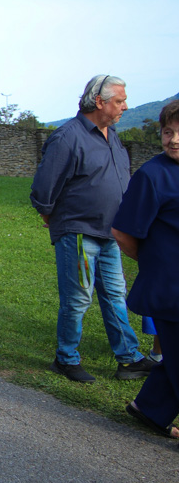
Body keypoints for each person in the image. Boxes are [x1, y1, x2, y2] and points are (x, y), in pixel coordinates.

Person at [30, 75, 154, 383]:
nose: (125, 106)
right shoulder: (68, 137)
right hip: (79, 233)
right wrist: (51, 217)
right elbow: (43, 188)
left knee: (115, 295)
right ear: (99, 102)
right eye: (119, 101)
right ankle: (66, 358)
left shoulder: (112, 136)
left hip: (110, 233)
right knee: (78, 298)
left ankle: (128, 359)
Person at [112, 100, 179, 440]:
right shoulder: (153, 175)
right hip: (170, 286)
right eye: (168, 131)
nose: (174, 139)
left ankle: (150, 408)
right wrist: (156, 263)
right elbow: (122, 231)